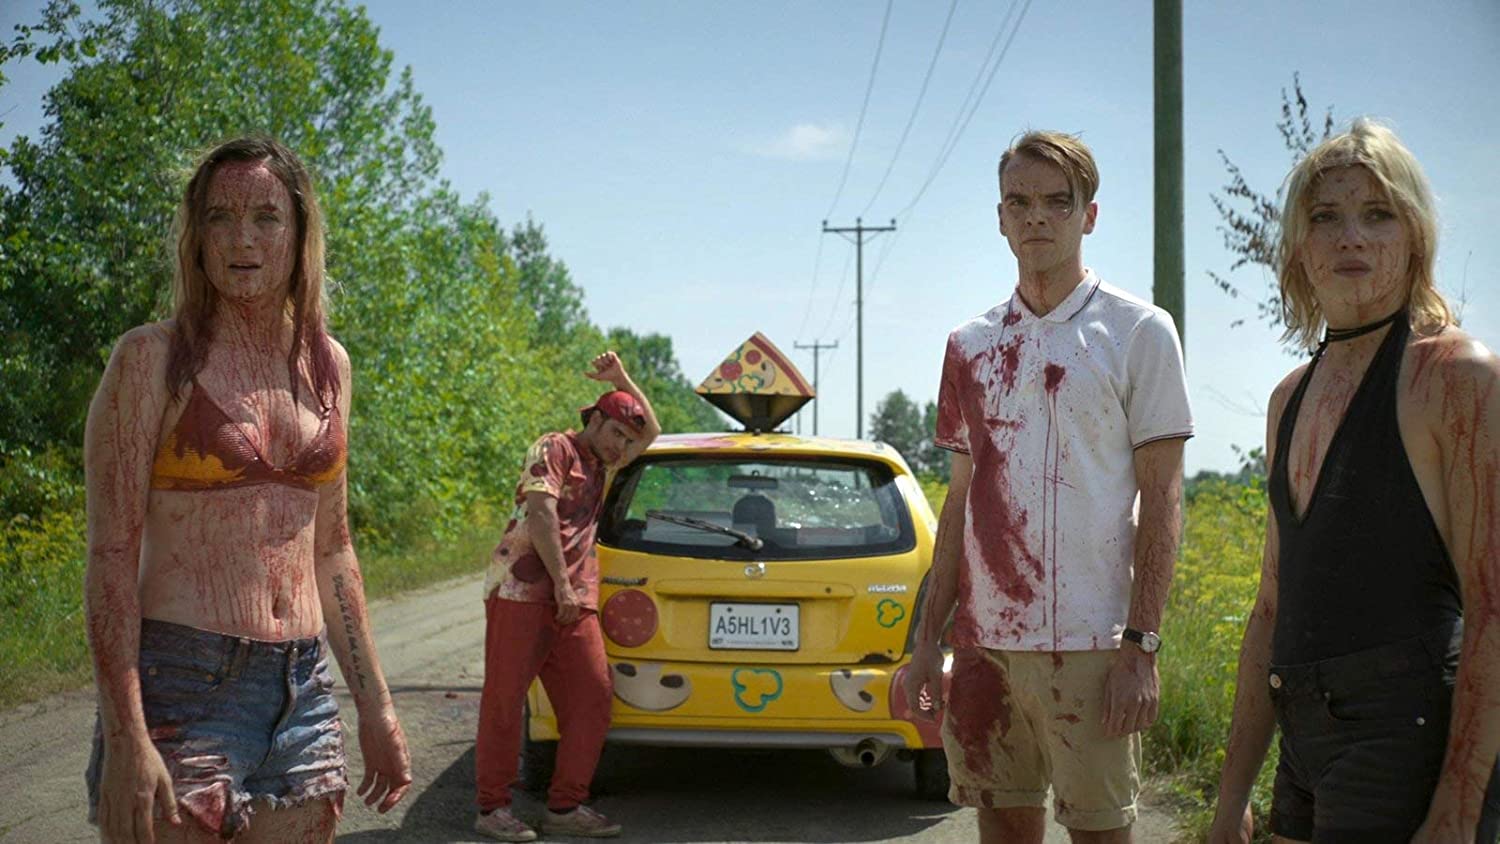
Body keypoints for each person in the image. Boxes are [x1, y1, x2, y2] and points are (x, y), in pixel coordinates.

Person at [82, 136, 411, 842]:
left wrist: (375, 706)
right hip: (183, 678)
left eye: (266, 217)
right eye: (220, 217)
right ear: (196, 238)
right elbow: (111, 555)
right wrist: (126, 735)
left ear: (299, 233)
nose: (242, 239)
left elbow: (334, 550)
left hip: (303, 692)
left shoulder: (329, 366)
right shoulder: (151, 359)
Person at [1209, 120, 1500, 844]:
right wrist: (1231, 796)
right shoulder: (1288, 399)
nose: (1351, 238)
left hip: (1408, 734)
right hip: (1303, 738)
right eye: (1326, 218)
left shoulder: (1453, 376)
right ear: (1298, 248)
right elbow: (1271, 605)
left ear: (1416, 236)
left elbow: (1493, 606)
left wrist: (1459, 808)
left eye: (1378, 214)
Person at [903, 130, 1193, 844]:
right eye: (1019, 202)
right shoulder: (969, 344)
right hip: (983, 646)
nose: (1036, 217)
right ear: (1000, 217)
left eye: (1057, 202)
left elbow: (1163, 499)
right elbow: (960, 501)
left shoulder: (1139, 331)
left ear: (1088, 215)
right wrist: (926, 642)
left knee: (1100, 831)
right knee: (1001, 825)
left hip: (1094, 643)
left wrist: (1141, 647)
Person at [474, 351, 660, 842]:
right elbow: (540, 513)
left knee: (593, 697)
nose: (622, 445)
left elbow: (653, 432)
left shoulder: (605, 466)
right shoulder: (554, 448)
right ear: (594, 420)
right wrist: (560, 582)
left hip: (573, 601)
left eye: (626, 439)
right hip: (521, 591)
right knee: (505, 700)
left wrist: (622, 378)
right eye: (615, 432)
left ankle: (565, 806)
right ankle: (492, 808)